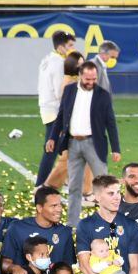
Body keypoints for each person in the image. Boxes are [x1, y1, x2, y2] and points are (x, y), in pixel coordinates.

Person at [45, 61, 121, 228]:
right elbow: (61, 115)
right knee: (74, 187)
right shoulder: (70, 90)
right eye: (88, 78)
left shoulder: (103, 94)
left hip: (95, 143)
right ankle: (72, 224)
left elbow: (111, 122)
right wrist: (52, 138)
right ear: (80, 75)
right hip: (73, 144)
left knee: (105, 186)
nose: (91, 82)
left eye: (94, 78)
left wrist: (116, 148)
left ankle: (109, 222)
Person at [42, 51, 95, 201]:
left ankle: (86, 191)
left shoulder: (76, 82)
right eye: (78, 63)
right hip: (71, 130)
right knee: (66, 162)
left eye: (82, 62)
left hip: (81, 129)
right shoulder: (69, 84)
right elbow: (64, 111)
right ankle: (49, 187)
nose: (81, 65)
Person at [1, 186, 76, 274]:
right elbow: (5, 263)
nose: (59, 209)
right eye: (53, 206)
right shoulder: (18, 228)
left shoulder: (64, 232)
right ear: (39, 208)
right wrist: (14, 268)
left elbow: (68, 268)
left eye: (60, 205)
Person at [36, 30, 76, 188]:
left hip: (47, 108)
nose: (73, 49)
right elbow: (61, 92)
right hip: (55, 111)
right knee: (52, 150)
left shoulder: (47, 59)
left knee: (64, 148)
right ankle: (40, 186)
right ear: (61, 47)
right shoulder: (59, 64)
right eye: (70, 45)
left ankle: (64, 180)